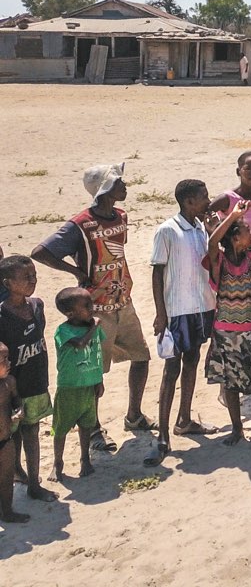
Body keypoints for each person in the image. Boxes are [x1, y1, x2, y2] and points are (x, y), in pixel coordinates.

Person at [31, 162, 152, 443]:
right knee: (95, 372)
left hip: (123, 300)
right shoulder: (80, 224)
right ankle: (94, 429)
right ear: (106, 188)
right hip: (94, 309)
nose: (125, 186)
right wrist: (76, 272)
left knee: (141, 357)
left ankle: (134, 415)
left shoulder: (121, 216)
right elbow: (41, 252)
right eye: (119, 182)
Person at [145, 179, 218, 466]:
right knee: (171, 369)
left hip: (201, 307)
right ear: (188, 202)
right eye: (203, 198)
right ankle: (162, 436)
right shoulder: (168, 230)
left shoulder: (202, 228)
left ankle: (185, 419)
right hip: (177, 311)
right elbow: (157, 274)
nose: (208, 202)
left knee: (192, 360)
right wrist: (160, 313)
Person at [203, 197, 251, 448]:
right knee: (231, 382)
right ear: (236, 238)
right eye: (246, 230)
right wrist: (234, 216)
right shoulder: (221, 261)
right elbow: (213, 241)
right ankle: (237, 430)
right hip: (226, 334)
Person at [0, 255, 56, 503]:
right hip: (11, 389)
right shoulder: (2, 316)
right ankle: (14, 477)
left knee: (32, 431)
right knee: (10, 438)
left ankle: (34, 482)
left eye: (34, 276)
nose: (32, 281)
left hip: (35, 383)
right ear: (7, 283)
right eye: (26, 278)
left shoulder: (37, 306)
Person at [49, 286, 105, 482]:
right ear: (70, 313)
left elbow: (98, 355)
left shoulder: (92, 327)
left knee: (86, 424)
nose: (92, 308)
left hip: (89, 385)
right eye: (86, 306)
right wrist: (94, 327)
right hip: (69, 387)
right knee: (61, 427)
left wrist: (100, 380)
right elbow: (80, 344)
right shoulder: (63, 330)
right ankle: (58, 463)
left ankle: (85, 458)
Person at [0, 342, 29, 522]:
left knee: (7, 477)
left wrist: (19, 410)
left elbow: (17, 400)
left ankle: (7, 511)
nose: (9, 363)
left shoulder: (9, 383)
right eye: (4, 360)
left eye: (8, 358)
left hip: (6, 440)